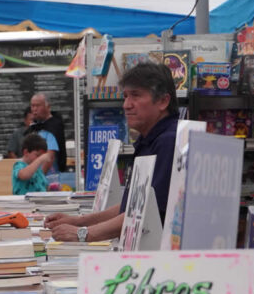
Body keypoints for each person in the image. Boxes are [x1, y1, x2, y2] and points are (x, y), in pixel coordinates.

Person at [46, 63, 178, 242]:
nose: (126, 105)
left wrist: (83, 233)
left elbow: (144, 214)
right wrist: (79, 222)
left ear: (163, 101)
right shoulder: (148, 140)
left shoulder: (169, 142)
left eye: (136, 96)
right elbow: (131, 205)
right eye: (125, 96)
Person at [26, 93, 67, 173]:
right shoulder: (34, 126)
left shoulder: (53, 126)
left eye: (38, 106)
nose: (34, 109)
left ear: (48, 107)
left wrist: (39, 177)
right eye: (32, 106)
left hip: (50, 175)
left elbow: (50, 157)